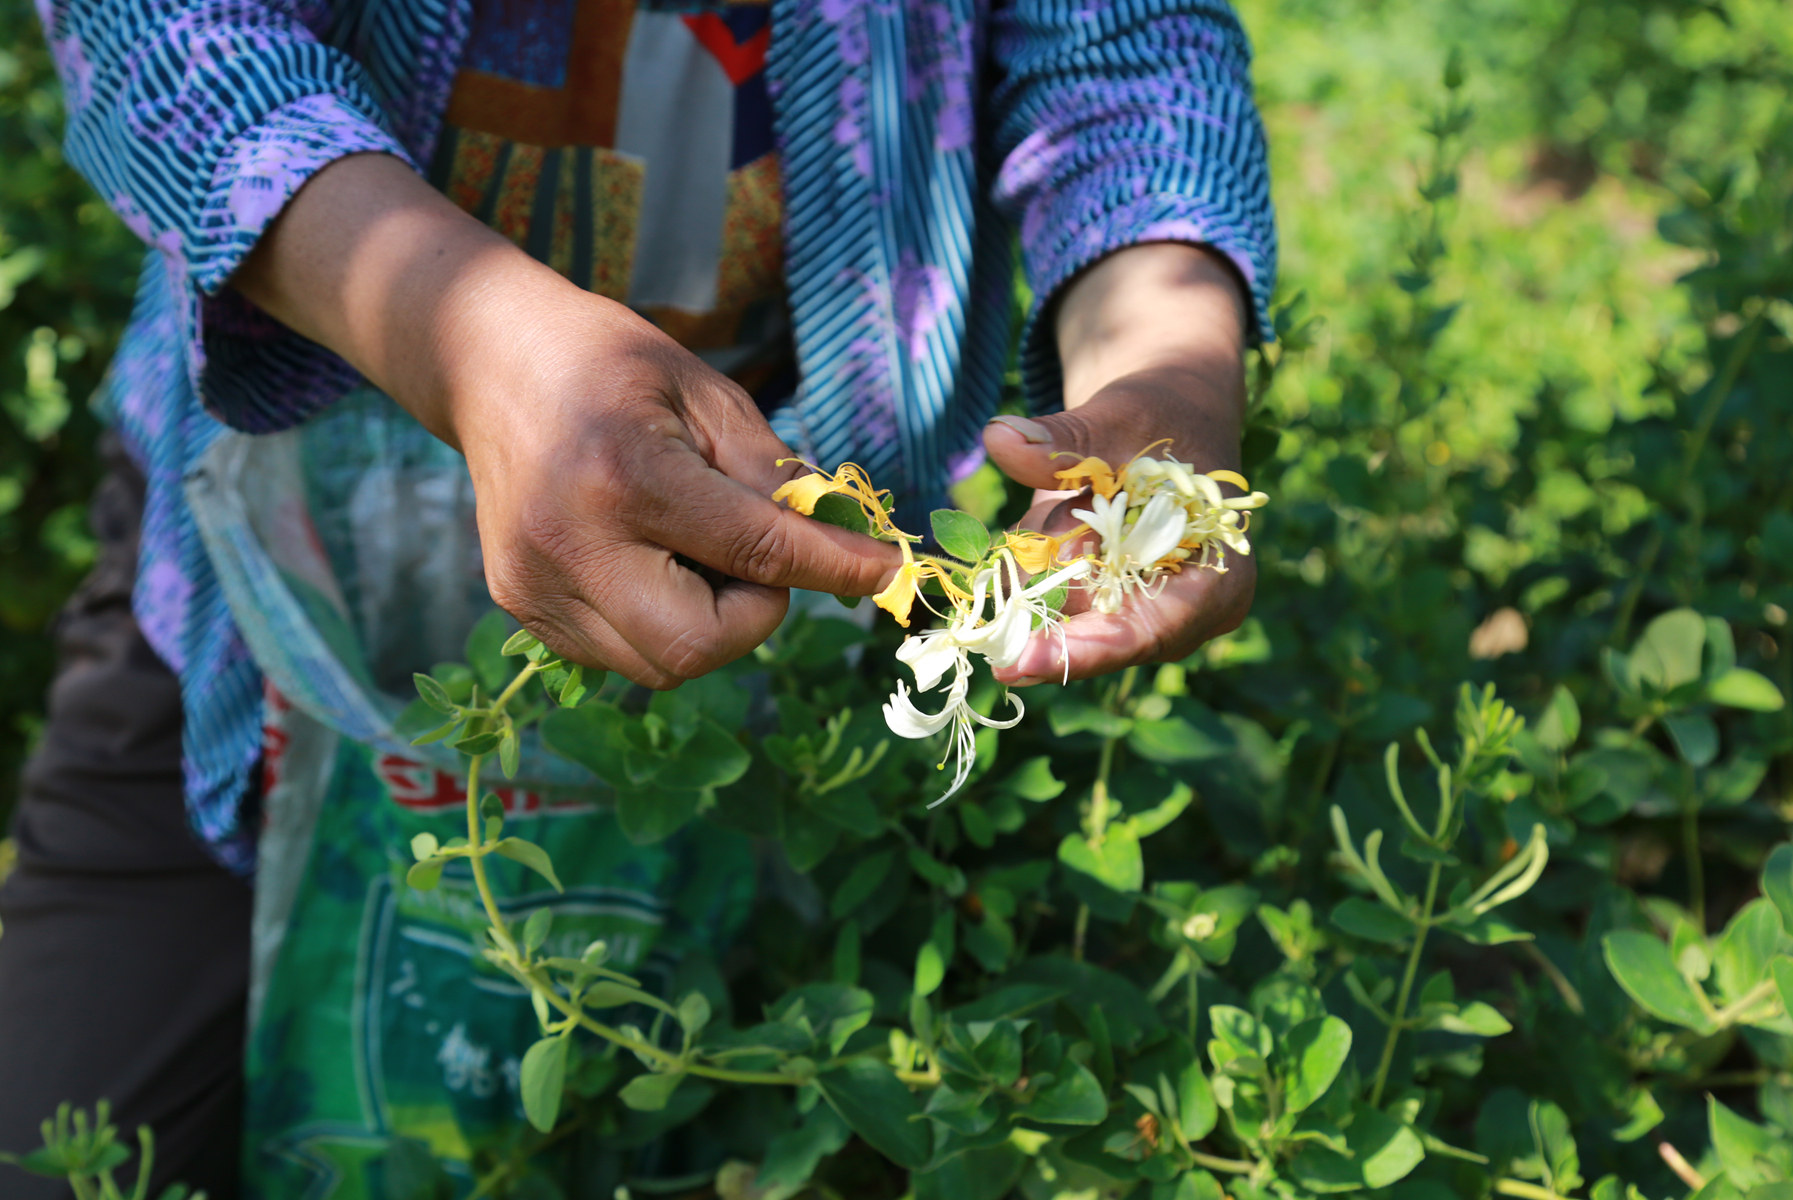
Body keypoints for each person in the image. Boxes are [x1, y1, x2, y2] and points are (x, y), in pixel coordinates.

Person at [0, 1, 1275, 1195]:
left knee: (732, 1092)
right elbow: (171, 40)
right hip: (261, 571)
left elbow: (1123, 51)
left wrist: (1169, 369)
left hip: (799, 621)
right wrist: (465, 335)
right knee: (63, 1137)